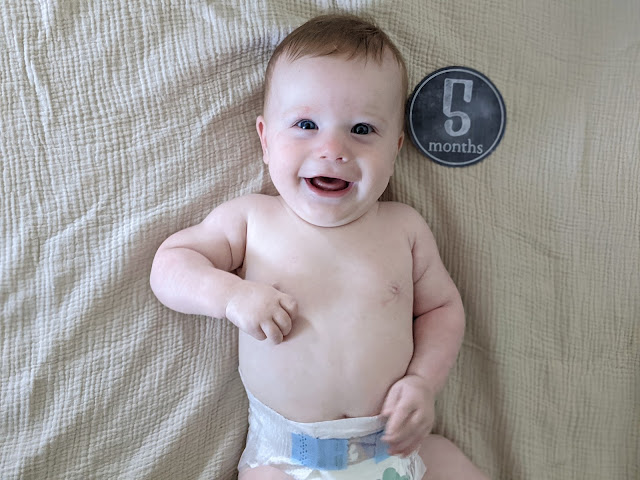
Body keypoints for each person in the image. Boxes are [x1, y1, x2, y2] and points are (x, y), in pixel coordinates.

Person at [150, 13, 488, 480]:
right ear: (266, 140)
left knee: (453, 465)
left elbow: (442, 309)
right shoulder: (253, 219)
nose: (333, 149)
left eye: (362, 129)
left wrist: (423, 383)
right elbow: (170, 265)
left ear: (395, 149)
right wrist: (230, 296)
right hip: (287, 457)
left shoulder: (404, 227)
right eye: (306, 124)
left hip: (393, 448)